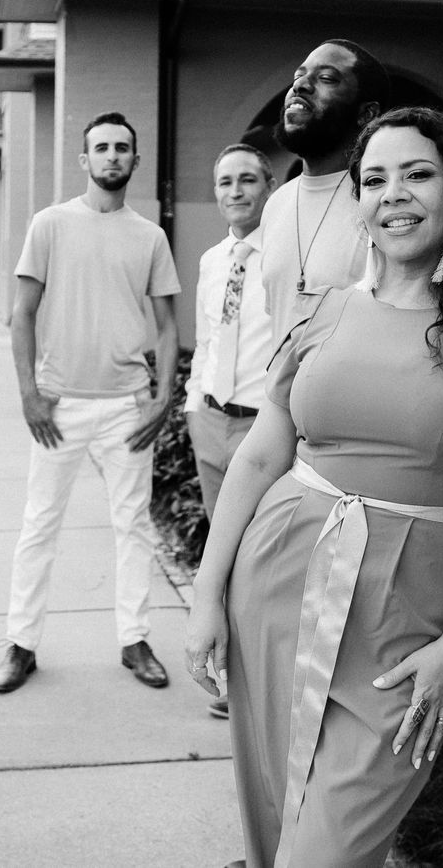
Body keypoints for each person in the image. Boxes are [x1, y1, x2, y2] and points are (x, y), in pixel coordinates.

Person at [185, 107, 443, 866]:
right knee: (273, 823)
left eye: (418, 174)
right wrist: (206, 592)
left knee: (327, 850)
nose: (394, 193)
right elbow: (261, 455)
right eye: (374, 179)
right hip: (276, 581)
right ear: (358, 201)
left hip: (407, 618)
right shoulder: (322, 308)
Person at [0, 111, 181, 694]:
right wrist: (28, 393)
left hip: (127, 407)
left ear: (135, 160)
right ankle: (21, 644)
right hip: (60, 406)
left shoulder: (149, 236)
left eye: (122, 148)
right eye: (101, 147)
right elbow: (22, 314)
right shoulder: (49, 225)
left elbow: (167, 327)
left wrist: (162, 398)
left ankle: (135, 640)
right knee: (39, 525)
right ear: (84, 159)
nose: (112, 156)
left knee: (133, 527)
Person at [182, 143, 275, 720]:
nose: (235, 191)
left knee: (260, 557)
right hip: (211, 421)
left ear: (269, 186)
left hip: (262, 429)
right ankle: (228, 672)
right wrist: (195, 405)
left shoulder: (288, 256)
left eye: (247, 180)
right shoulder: (213, 260)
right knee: (222, 557)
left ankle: (259, 679)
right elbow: (207, 338)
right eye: (224, 182)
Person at [258, 38, 389, 341]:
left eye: (327, 78)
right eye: (298, 76)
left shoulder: (382, 203)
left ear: (367, 114)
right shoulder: (276, 204)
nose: (300, 85)